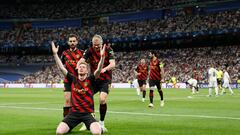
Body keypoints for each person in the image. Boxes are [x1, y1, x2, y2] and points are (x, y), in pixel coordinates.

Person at [52, 41, 105, 135]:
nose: (81, 68)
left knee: (97, 133)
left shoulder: (91, 80)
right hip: (73, 113)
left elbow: (99, 69)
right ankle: (69, 127)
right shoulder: (73, 79)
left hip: (87, 114)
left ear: (87, 70)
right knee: (59, 132)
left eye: (84, 67)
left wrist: (102, 57)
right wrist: (55, 54)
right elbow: (61, 68)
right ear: (77, 69)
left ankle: (97, 126)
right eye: (80, 66)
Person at [77, 35, 115, 132]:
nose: (96, 47)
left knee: (102, 99)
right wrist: (79, 65)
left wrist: (105, 69)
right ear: (92, 44)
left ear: (101, 43)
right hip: (93, 79)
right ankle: (87, 122)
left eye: (98, 45)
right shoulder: (89, 50)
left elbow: (113, 64)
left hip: (105, 79)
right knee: (85, 98)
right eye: (95, 45)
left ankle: (101, 123)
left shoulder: (108, 49)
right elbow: (82, 59)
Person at [61, 34, 83, 117]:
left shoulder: (81, 53)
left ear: (77, 42)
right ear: (68, 42)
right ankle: (66, 121)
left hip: (79, 80)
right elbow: (61, 65)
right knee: (67, 100)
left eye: (74, 41)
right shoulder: (65, 53)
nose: (72, 43)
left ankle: (84, 119)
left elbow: (86, 65)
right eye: (70, 41)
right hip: (68, 80)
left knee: (80, 101)